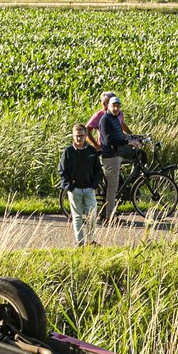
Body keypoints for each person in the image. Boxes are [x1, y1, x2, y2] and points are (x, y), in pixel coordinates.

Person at [89, 93, 133, 223]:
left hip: (116, 151)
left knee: (117, 182)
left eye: (117, 106)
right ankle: (109, 216)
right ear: (109, 106)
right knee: (112, 186)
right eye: (106, 103)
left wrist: (132, 136)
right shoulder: (103, 118)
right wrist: (96, 145)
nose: (115, 108)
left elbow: (120, 129)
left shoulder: (117, 116)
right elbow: (108, 138)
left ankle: (110, 209)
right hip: (109, 152)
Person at [58, 122, 103, 246]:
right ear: (73, 136)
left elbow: (98, 170)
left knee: (92, 216)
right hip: (75, 190)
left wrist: (94, 185)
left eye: (82, 136)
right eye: (77, 136)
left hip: (89, 188)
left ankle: (91, 240)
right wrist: (69, 187)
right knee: (77, 217)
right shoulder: (68, 152)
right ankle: (80, 241)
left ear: (86, 135)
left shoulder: (92, 151)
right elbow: (62, 171)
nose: (79, 138)